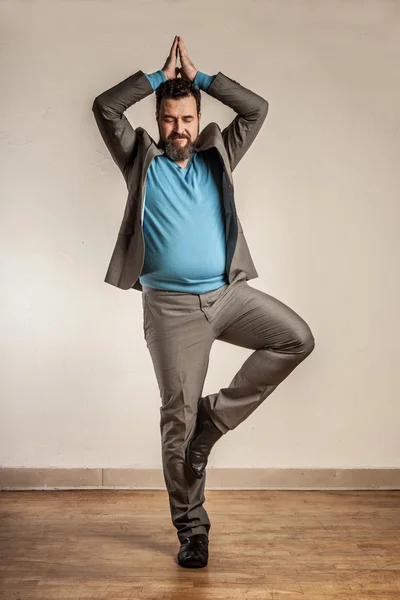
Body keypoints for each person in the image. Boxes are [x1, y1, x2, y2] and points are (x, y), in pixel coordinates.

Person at [92, 35, 315, 569]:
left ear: (198, 116)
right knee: (177, 419)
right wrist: (155, 75)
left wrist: (203, 78)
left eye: (187, 118)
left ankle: (214, 423)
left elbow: (256, 109)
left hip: (227, 295)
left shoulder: (220, 152)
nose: (179, 130)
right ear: (158, 120)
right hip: (170, 312)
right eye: (169, 119)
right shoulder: (139, 158)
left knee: (296, 338)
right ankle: (192, 531)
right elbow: (105, 107)